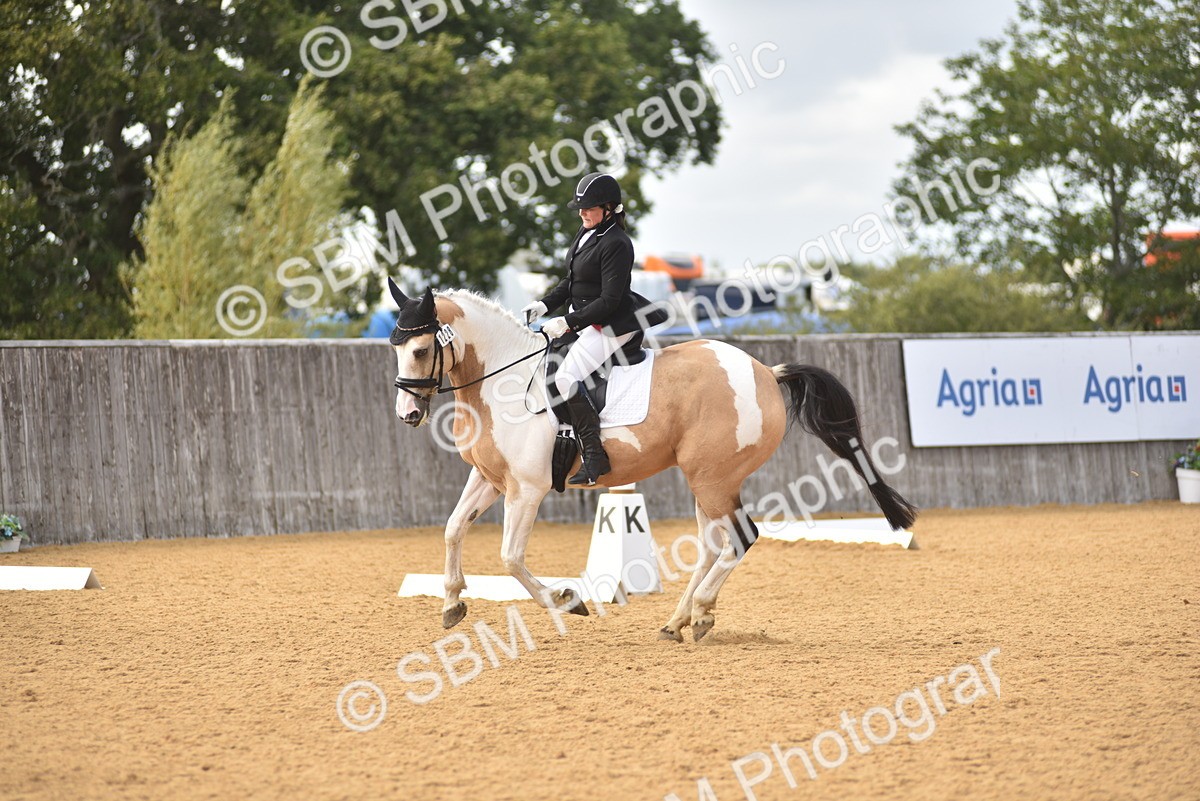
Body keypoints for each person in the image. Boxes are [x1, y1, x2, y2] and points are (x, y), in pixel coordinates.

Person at [521, 172, 653, 486]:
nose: (582, 213)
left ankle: (595, 456)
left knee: (565, 377)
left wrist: (568, 322)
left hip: (612, 324)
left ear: (608, 208)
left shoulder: (617, 243)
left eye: (589, 208)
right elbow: (571, 282)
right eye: (581, 208)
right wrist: (544, 305)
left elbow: (609, 300)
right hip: (586, 320)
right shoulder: (586, 231)